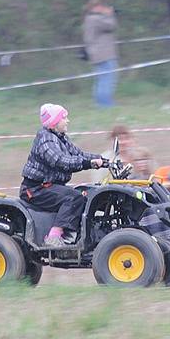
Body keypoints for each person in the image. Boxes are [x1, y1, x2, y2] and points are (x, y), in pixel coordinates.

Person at [20, 103, 105, 246]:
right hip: (36, 189)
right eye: (64, 118)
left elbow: (78, 154)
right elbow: (60, 161)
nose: (67, 121)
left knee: (85, 194)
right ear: (54, 122)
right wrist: (88, 163)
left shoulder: (60, 138)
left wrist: (102, 159)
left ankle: (76, 234)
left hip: (48, 187)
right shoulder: (46, 139)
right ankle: (54, 237)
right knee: (73, 197)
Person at [82, 0, 118, 107]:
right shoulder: (96, 19)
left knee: (101, 79)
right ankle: (105, 104)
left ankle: (100, 102)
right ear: (95, 7)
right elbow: (111, 26)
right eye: (101, 6)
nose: (103, 8)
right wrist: (110, 15)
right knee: (107, 80)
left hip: (96, 53)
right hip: (104, 54)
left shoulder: (89, 19)